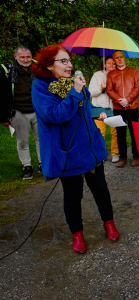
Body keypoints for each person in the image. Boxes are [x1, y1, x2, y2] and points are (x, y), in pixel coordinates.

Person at [31, 44, 120, 254]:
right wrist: (76, 92)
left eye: (70, 60)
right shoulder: (41, 87)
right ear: (49, 65)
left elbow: (85, 106)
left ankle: (109, 223)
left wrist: (97, 112)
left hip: (89, 146)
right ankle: (77, 234)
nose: (69, 65)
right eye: (63, 61)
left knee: (100, 188)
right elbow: (54, 115)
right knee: (73, 195)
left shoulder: (74, 82)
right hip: (68, 150)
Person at [0, 46, 41, 180]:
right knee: (22, 142)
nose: (25, 59)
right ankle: (27, 166)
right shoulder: (7, 71)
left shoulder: (37, 68)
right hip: (18, 111)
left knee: (41, 139)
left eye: (28, 56)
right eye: (22, 57)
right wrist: (3, 116)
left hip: (37, 110)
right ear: (15, 57)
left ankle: (43, 163)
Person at [106, 50, 139, 168]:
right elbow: (109, 90)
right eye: (117, 58)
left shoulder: (134, 71)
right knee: (120, 134)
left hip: (133, 107)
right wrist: (120, 100)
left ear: (125, 58)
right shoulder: (111, 74)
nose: (119, 59)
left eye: (121, 57)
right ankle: (122, 157)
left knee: (134, 132)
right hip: (118, 108)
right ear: (114, 59)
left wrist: (128, 99)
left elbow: (138, 87)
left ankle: (136, 156)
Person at [89, 57, 119, 162]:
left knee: (115, 132)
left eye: (113, 64)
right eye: (109, 63)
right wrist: (101, 88)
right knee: (100, 132)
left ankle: (115, 153)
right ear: (104, 64)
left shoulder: (118, 75)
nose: (111, 65)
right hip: (99, 109)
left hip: (114, 108)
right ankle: (101, 154)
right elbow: (90, 93)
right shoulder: (97, 75)